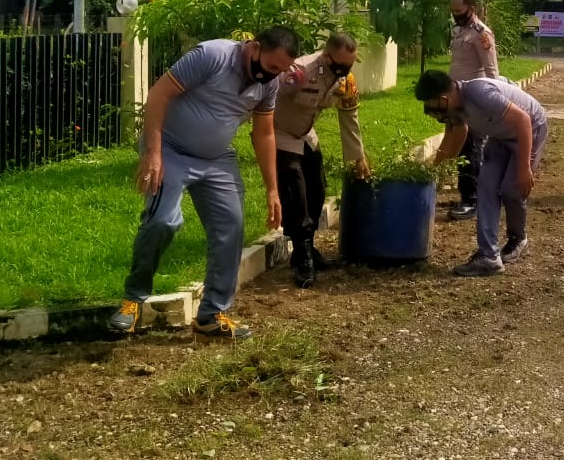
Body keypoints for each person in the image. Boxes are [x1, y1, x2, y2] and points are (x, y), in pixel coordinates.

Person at [109, 26, 300, 341]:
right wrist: (153, 154)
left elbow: (264, 133)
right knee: (162, 221)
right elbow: (159, 95)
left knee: (231, 226)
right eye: (271, 67)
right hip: (171, 149)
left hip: (216, 160)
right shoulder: (212, 55)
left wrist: (272, 190)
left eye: (280, 71)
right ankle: (133, 300)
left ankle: (212, 314)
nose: (273, 76)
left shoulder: (269, 84)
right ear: (254, 49)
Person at [416, 70, 548, 277]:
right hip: (500, 137)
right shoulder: (456, 108)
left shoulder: (479, 93)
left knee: (511, 189)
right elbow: (455, 139)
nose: (436, 112)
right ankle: (489, 256)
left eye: (435, 105)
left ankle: (518, 238)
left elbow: (523, 120)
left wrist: (524, 167)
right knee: (486, 186)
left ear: (445, 97)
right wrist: (434, 172)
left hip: (530, 129)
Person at [273, 32, 370, 289]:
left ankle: (308, 247)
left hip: (305, 134)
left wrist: (357, 158)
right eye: (340, 64)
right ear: (327, 56)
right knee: (296, 191)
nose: (344, 70)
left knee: (317, 188)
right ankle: (302, 255)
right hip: (279, 131)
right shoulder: (300, 71)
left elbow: (350, 118)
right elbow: (265, 95)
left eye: (349, 65)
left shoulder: (345, 81)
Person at [446, 0, 499, 221]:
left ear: (471, 8)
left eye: (459, 10)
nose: (456, 14)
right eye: (453, 11)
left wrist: (492, 101)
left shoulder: (482, 34)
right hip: (456, 97)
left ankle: (472, 200)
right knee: (459, 146)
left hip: (474, 98)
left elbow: (491, 70)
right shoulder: (459, 30)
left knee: (471, 148)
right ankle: (465, 191)